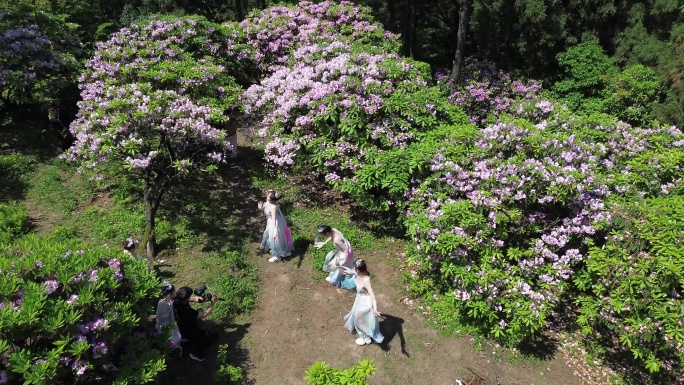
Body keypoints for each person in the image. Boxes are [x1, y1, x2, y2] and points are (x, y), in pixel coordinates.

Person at [341, 259, 384, 346]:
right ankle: (365, 336)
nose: (353, 269)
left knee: (358, 318)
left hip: (366, 302)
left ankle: (366, 336)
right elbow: (351, 272)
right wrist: (342, 269)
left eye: (354, 268)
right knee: (359, 318)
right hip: (359, 299)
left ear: (357, 269)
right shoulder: (358, 273)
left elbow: (372, 294)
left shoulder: (366, 280)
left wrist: (375, 308)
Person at [173, 286, 219, 361]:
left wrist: (203, 299)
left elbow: (193, 299)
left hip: (177, 327)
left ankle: (185, 341)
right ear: (186, 298)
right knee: (214, 335)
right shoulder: (187, 311)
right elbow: (204, 314)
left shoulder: (175, 300)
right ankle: (195, 352)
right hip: (187, 331)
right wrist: (212, 303)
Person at [314, 225, 355, 290]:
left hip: (344, 253)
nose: (324, 237)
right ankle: (336, 276)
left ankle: (337, 281)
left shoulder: (336, 240)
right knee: (332, 265)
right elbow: (331, 237)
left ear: (327, 233)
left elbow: (346, 249)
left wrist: (345, 259)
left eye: (323, 235)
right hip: (343, 249)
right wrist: (324, 243)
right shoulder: (333, 230)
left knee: (336, 267)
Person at [258, 190, 294, 262]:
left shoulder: (273, 207)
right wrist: (261, 208)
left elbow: (274, 219)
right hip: (271, 222)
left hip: (275, 223)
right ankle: (285, 252)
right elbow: (265, 208)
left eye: (268, 196)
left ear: (271, 199)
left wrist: (275, 230)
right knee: (279, 238)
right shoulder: (267, 203)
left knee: (275, 239)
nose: (267, 196)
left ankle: (277, 256)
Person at [155, 283, 182, 349]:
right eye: (174, 291)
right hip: (169, 324)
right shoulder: (171, 304)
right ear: (171, 294)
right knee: (174, 336)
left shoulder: (160, 301)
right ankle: (174, 346)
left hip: (161, 325)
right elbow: (172, 318)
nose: (175, 292)